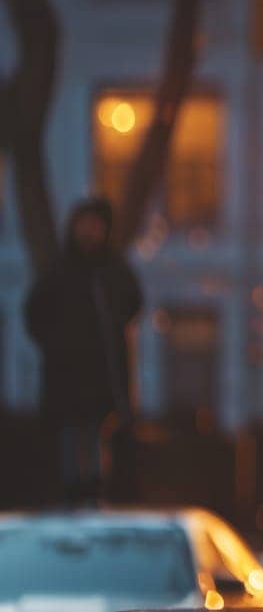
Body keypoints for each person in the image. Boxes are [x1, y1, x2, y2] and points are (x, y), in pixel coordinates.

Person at [25, 198, 144, 501]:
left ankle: (95, 494)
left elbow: (132, 303)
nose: (89, 232)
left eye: (95, 225)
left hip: (102, 379)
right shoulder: (60, 271)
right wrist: (55, 343)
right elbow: (34, 312)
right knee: (70, 441)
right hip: (67, 377)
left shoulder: (112, 271)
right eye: (84, 225)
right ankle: (73, 496)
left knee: (96, 439)